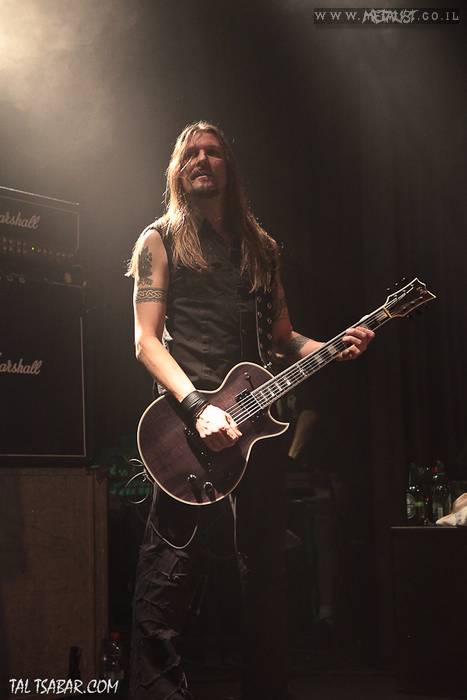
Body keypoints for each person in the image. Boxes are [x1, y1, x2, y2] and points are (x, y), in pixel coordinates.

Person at [127, 121, 374, 700]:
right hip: (187, 427)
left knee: (265, 575)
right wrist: (197, 408)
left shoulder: (261, 249)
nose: (202, 159)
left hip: (256, 428)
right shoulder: (159, 240)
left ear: (229, 168)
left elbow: (283, 339)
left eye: (213, 152)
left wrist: (332, 347)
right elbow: (145, 341)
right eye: (191, 152)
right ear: (178, 169)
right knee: (168, 573)